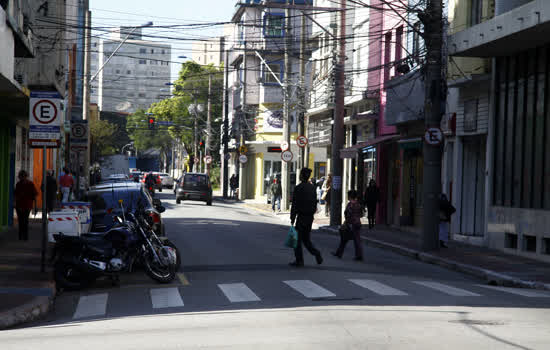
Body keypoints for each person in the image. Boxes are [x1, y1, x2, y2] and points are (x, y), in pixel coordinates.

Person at [289, 167, 323, 267]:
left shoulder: (298, 188)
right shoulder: (312, 188)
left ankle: (299, 260)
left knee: (297, 240)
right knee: (306, 239)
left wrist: (292, 218)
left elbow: (295, 204)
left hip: (302, 217)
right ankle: (316, 253)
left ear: (302, 176)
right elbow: (315, 203)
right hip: (309, 217)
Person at [332, 190, 364, 261]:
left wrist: (346, 223)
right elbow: (361, 215)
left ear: (350, 196)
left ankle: (340, 253)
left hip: (351, 224)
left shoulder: (350, 205)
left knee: (344, 239)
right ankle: (358, 255)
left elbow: (348, 215)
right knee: (356, 240)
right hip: (357, 223)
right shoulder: (358, 205)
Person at [14, 170, 38, 241]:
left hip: (27, 206)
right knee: (21, 221)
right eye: (20, 177)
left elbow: (34, 195)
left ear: (25, 176)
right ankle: (21, 236)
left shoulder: (30, 184)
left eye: (22, 176)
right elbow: (15, 195)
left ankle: (25, 236)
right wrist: (14, 203)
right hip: (19, 206)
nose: (21, 178)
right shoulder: (18, 184)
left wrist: (35, 207)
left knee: (25, 221)